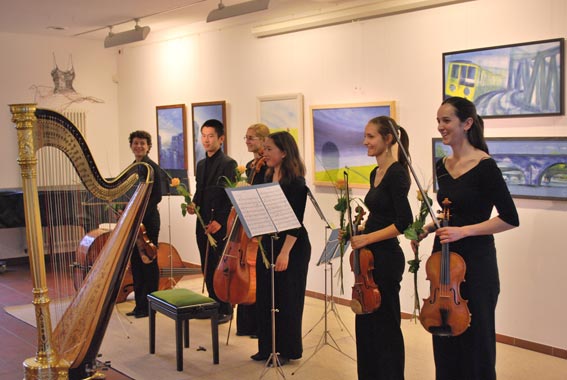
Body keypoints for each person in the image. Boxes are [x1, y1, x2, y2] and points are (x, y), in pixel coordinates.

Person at [415, 96, 519, 380]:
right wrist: (429, 227)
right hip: (444, 260)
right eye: (438, 121)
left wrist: (465, 230)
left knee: (477, 342)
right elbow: (451, 211)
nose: (440, 126)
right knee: (444, 335)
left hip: (476, 262)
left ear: (467, 123)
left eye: (446, 120)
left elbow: (510, 217)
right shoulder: (441, 165)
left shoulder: (485, 166)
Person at [341, 116, 413, 379]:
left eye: (371, 137)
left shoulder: (397, 173)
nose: (365, 142)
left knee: (386, 327)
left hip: (386, 258)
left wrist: (368, 239)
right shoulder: (376, 172)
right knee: (367, 324)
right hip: (369, 255)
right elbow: (380, 216)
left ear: (388, 139)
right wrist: (357, 232)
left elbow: (404, 222)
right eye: (366, 136)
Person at [251, 131, 311, 366]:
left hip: (292, 245)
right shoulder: (266, 175)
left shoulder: (296, 182)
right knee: (265, 295)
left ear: (284, 153)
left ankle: (287, 350)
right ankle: (267, 347)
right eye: (264, 148)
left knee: (287, 299)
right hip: (269, 241)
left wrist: (285, 252)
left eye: (269, 149)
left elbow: (296, 221)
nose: (264, 153)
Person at [187, 119, 237, 323]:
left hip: (219, 222)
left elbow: (230, 195)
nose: (206, 140)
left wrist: (221, 220)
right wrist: (193, 204)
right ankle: (212, 302)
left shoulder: (228, 163)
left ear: (221, 139)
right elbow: (200, 190)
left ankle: (225, 307)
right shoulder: (201, 163)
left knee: (220, 266)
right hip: (203, 220)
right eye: (203, 136)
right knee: (206, 264)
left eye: (211, 136)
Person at [236, 123, 270, 337]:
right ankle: (246, 323)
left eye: (252, 138)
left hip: (260, 225)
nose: (247, 141)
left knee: (257, 272)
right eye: (246, 137)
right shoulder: (250, 165)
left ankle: (258, 324)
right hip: (247, 225)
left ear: (263, 141)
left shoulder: (267, 167)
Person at [125, 130, 162, 318]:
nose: (138, 146)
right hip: (135, 222)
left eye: (142, 143)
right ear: (131, 145)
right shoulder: (132, 168)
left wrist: (138, 215)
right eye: (136, 143)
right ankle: (140, 305)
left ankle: (151, 305)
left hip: (148, 222)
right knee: (136, 264)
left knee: (148, 262)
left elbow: (157, 197)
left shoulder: (152, 167)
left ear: (148, 147)